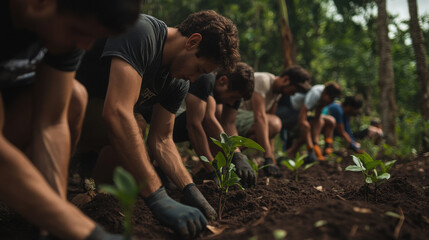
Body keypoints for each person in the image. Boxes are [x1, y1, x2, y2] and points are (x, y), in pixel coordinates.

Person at [75, 10, 240, 238]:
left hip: (90, 122)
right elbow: (117, 111)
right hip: (59, 108)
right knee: (133, 122)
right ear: (192, 42)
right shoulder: (141, 32)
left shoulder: (177, 83)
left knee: (139, 124)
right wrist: (157, 195)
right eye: (199, 70)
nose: (194, 79)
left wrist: (189, 189)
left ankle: (99, 201)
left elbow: (162, 139)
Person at [1, 0, 142, 239]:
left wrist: (54, 220)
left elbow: (52, 123)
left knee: (74, 97)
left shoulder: (65, 24)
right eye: (78, 32)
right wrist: (85, 231)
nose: (85, 46)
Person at [164, 62, 256, 187]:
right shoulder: (207, 78)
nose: (231, 102)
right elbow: (205, 121)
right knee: (204, 120)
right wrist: (214, 169)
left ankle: (204, 169)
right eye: (233, 97)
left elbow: (229, 124)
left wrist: (238, 155)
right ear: (223, 80)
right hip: (164, 118)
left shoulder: (231, 96)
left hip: (182, 120)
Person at [235, 66, 312, 177]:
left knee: (272, 124)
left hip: (246, 122)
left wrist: (272, 161)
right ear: (286, 79)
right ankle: (232, 154)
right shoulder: (264, 80)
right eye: (295, 89)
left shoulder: (277, 93)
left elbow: (269, 129)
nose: (294, 94)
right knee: (274, 123)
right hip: (235, 117)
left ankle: (230, 154)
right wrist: (268, 156)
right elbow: (260, 118)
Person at [285, 82, 342, 162]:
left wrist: (316, 143)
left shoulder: (324, 97)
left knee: (330, 121)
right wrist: (311, 148)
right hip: (290, 110)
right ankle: (291, 152)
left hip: (300, 112)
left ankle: (327, 147)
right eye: (331, 98)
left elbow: (317, 119)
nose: (331, 102)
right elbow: (302, 120)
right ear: (325, 93)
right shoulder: (315, 94)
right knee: (308, 126)